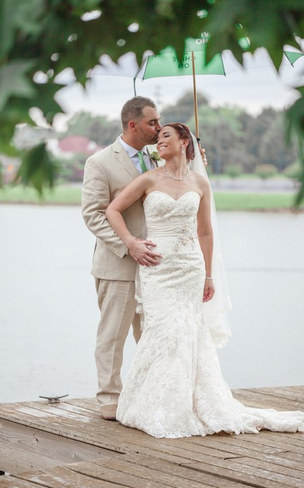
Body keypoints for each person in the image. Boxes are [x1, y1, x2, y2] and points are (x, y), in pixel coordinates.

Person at [105, 123, 304, 438]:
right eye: (157, 137)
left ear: (184, 141)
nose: (159, 141)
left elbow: (205, 231)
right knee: (163, 330)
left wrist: (207, 274)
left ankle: (185, 403)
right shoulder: (148, 179)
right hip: (157, 267)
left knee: (188, 332)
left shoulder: (200, 183)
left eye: (166, 136)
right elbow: (113, 210)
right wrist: (132, 243)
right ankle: (152, 402)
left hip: (189, 268)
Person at [82, 96, 162, 421]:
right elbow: (92, 215)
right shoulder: (100, 162)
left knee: (152, 334)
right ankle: (109, 399)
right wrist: (129, 246)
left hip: (155, 268)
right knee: (113, 336)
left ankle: (147, 394)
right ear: (133, 125)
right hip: (117, 265)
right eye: (153, 122)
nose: (159, 127)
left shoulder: (156, 159)